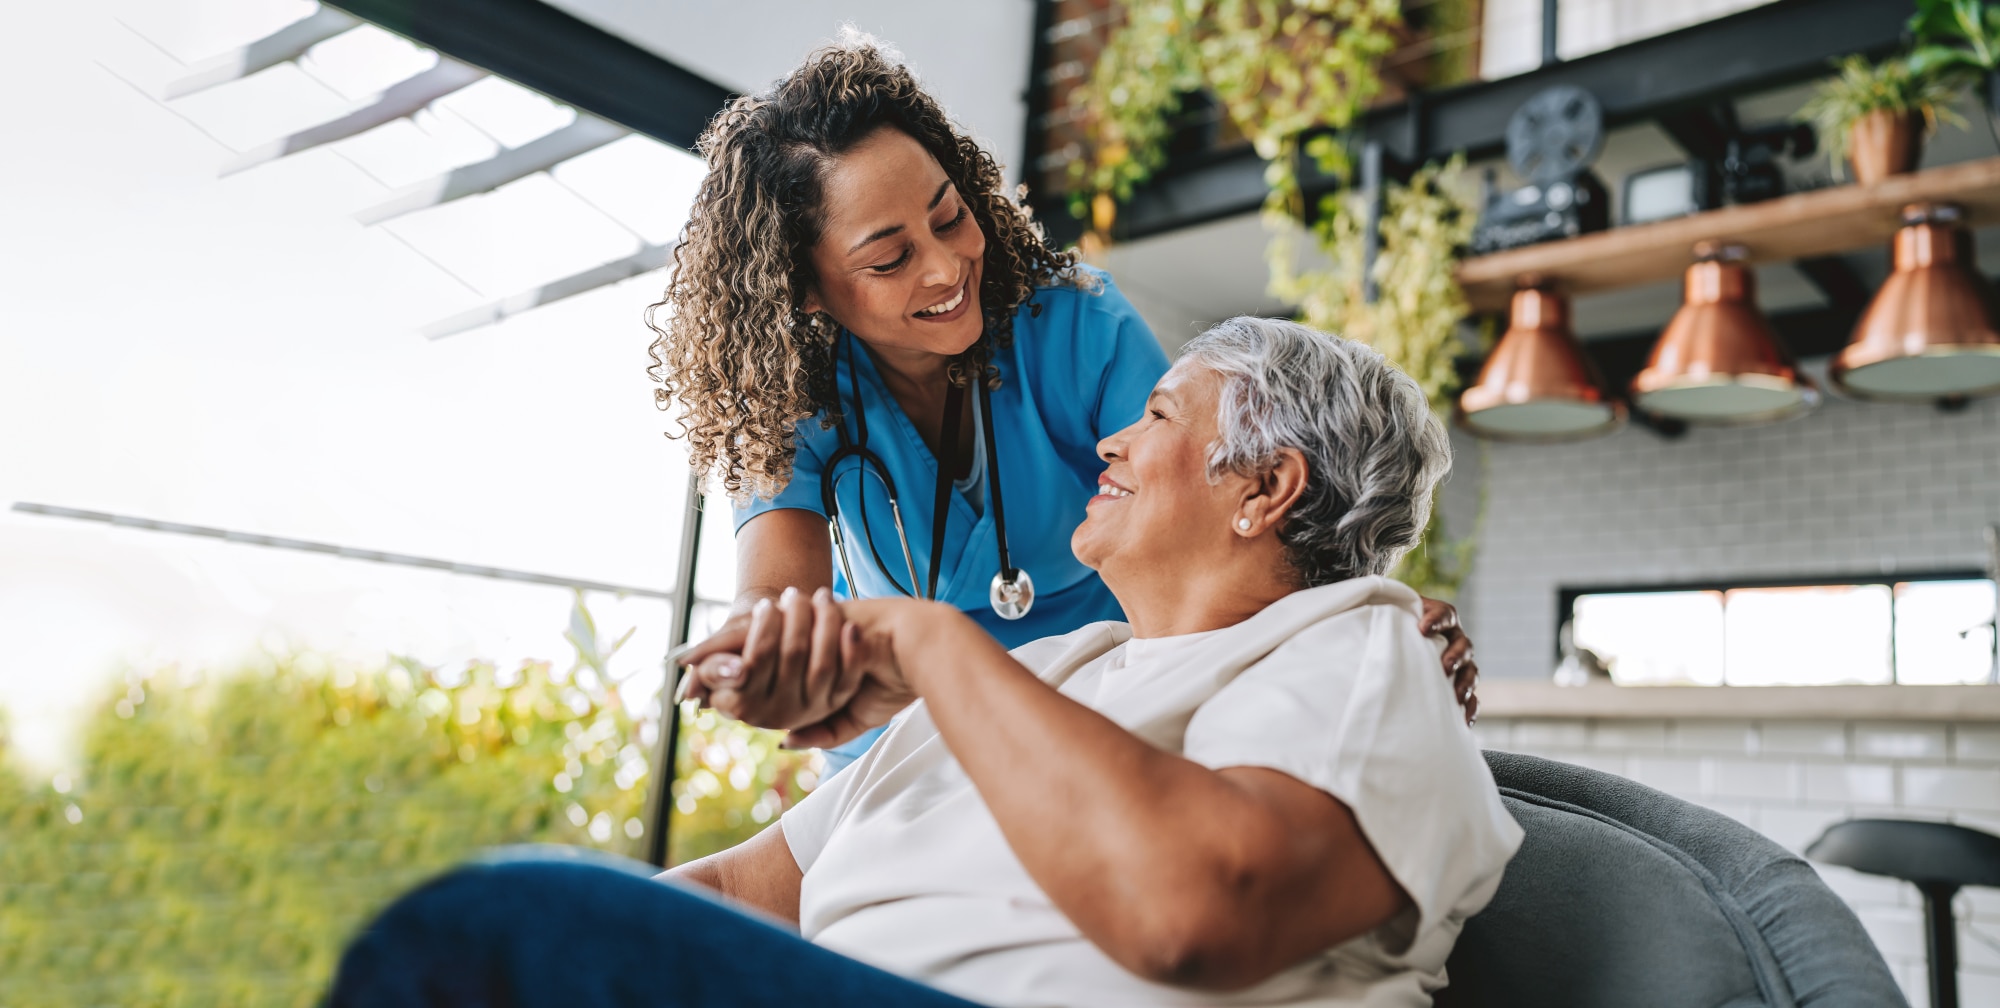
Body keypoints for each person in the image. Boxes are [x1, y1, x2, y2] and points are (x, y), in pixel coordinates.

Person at [330, 318, 1522, 1008]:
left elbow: (1191, 915)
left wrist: (926, 634)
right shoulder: (1059, 668)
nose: (1108, 437)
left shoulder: (1360, 658)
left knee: (490, 929)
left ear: (1264, 490)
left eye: (1158, 416)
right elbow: (749, 893)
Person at [644, 37, 1481, 772]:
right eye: (890, 259)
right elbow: (776, 603)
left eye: (948, 217)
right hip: (897, 756)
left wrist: (1364, 621)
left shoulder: (1076, 326)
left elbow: (1223, 510)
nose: (945, 268)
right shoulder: (797, 395)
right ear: (807, 291)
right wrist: (763, 655)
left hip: (1092, 725)